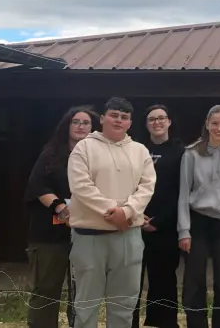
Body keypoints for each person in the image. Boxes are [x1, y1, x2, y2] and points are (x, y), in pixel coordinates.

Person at [67, 97, 157, 328]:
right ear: (102, 118)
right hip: (90, 236)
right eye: (114, 115)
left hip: (128, 236)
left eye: (124, 117)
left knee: (125, 302)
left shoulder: (140, 150)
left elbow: (147, 187)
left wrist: (126, 212)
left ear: (130, 122)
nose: (119, 120)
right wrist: (113, 211)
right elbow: (80, 186)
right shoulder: (84, 147)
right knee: (87, 302)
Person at [24, 105, 98, 328]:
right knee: (46, 288)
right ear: (67, 125)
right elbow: (37, 186)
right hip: (49, 234)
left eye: (86, 123)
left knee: (81, 292)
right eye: (76, 122)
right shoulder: (50, 154)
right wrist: (60, 208)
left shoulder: (97, 156)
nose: (80, 126)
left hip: (85, 232)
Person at [178, 105, 220, 328]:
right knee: (195, 281)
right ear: (206, 123)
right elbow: (184, 193)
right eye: (215, 123)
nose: (219, 128)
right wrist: (183, 230)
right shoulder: (192, 152)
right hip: (198, 222)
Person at [132, 105, 185, 328]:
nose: (157, 122)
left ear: (169, 122)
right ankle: (129, 322)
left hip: (166, 226)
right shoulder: (135, 149)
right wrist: (138, 217)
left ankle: (162, 323)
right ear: (146, 124)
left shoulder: (181, 151)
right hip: (134, 223)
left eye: (162, 118)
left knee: (163, 280)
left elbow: (181, 190)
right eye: (152, 119)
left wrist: (160, 220)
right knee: (131, 280)